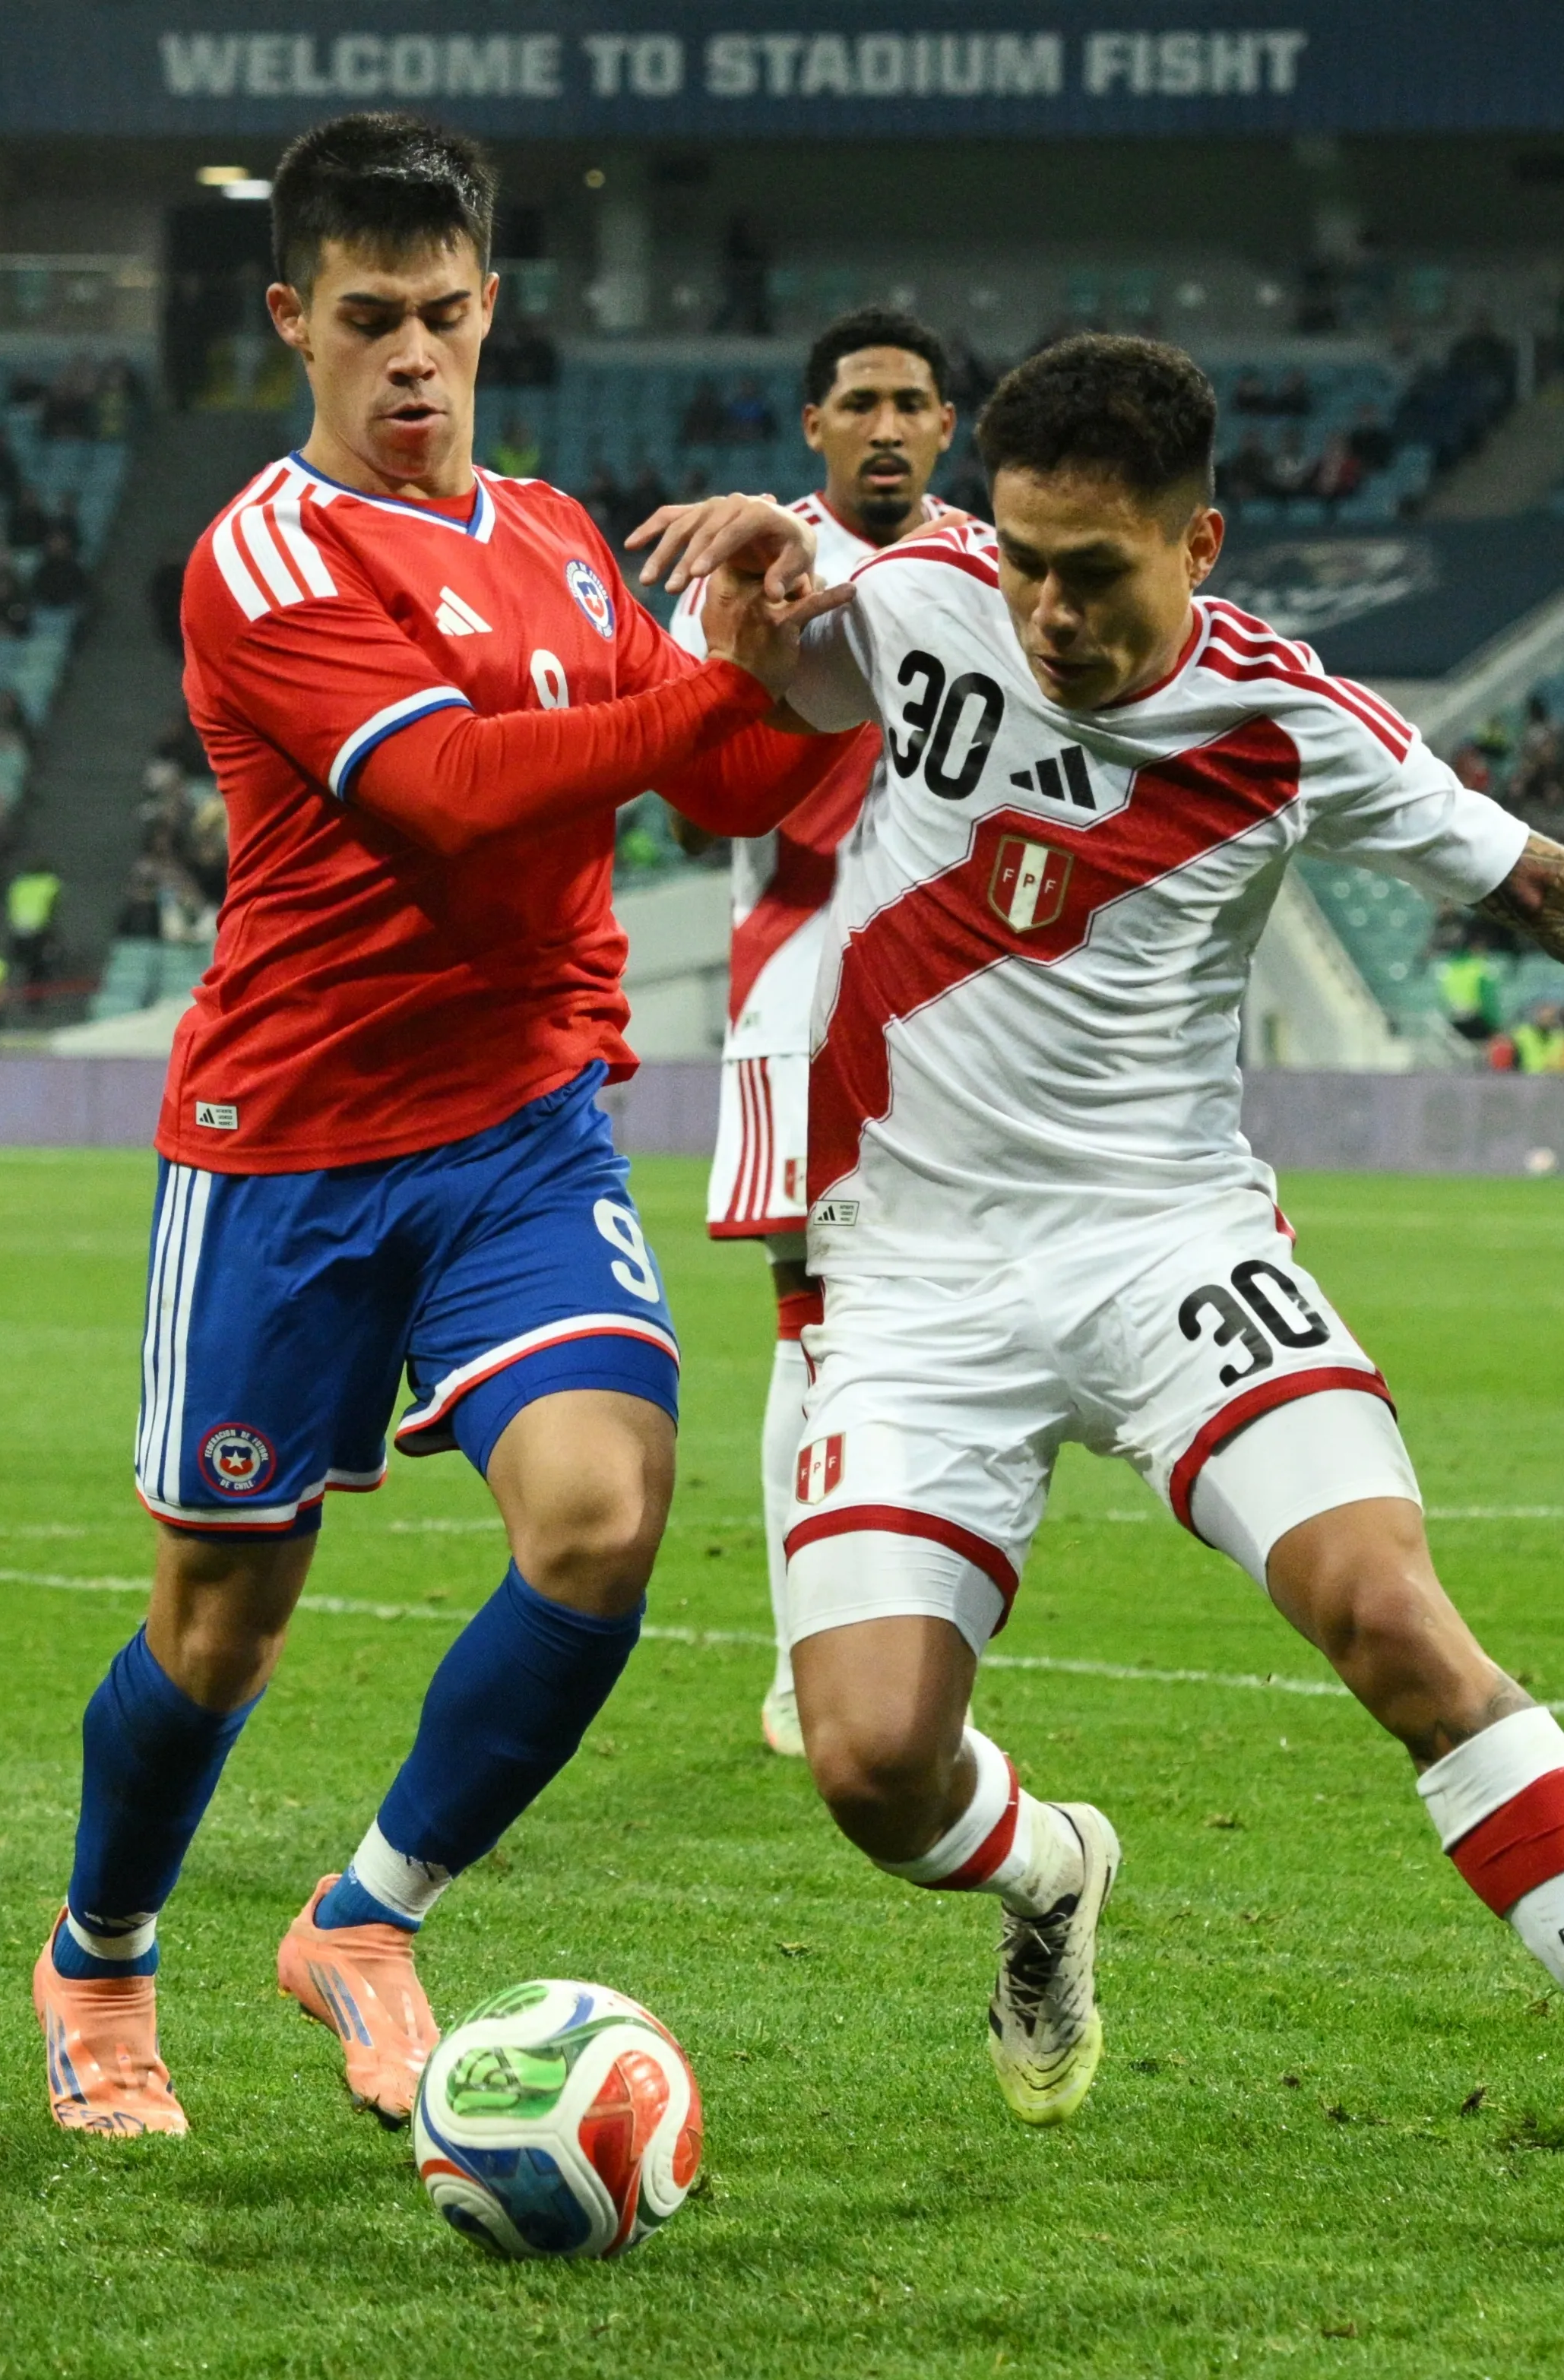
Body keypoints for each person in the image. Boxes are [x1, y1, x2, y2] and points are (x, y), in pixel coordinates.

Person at [701, 331, 1564, 2219]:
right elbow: (766, 691)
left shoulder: (1290, 725)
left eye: (1094, 573)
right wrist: (742, 600)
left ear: (1197, 543)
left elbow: (1559, 891)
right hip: (916, 1280)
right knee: (875, 1764)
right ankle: (1052, 1871)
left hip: (1171, 1247)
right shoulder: (924, 593)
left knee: (1386, 1609)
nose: (1047, 613)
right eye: (1026, 563)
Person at [30, 110, 848, 2141]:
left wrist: (796, 633)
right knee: (222, 1625)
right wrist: (714, 690)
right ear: (291, 317)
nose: (412, 353)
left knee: (602, 1515)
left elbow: (728, 788)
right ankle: (100, 1954)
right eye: (369, 316)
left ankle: (366, 1917)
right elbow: (454, 797)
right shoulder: (265, 557)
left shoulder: (560, 537)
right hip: (289, 1144)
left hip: (520, 1129)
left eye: (444, 313)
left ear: (493, 308)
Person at [673, 303, 967, 1759]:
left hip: (964, 1015)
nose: (886, 427)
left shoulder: (992, 569)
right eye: (859, 403)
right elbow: (691, 777)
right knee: (820, 1325)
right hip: (803, 986)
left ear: (947, 426)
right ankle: (810, 1662)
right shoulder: (745, 563)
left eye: (910, 402)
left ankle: (894, 1647)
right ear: (813, 426)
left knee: (937, 1336)